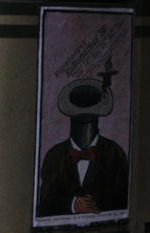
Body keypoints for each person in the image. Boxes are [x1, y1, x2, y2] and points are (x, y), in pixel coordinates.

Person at [37, 78, 129, 219]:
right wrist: (73, 205)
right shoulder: (54, 156)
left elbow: (123, 201)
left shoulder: (115, 153)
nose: (85, 123)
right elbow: (44, 205)